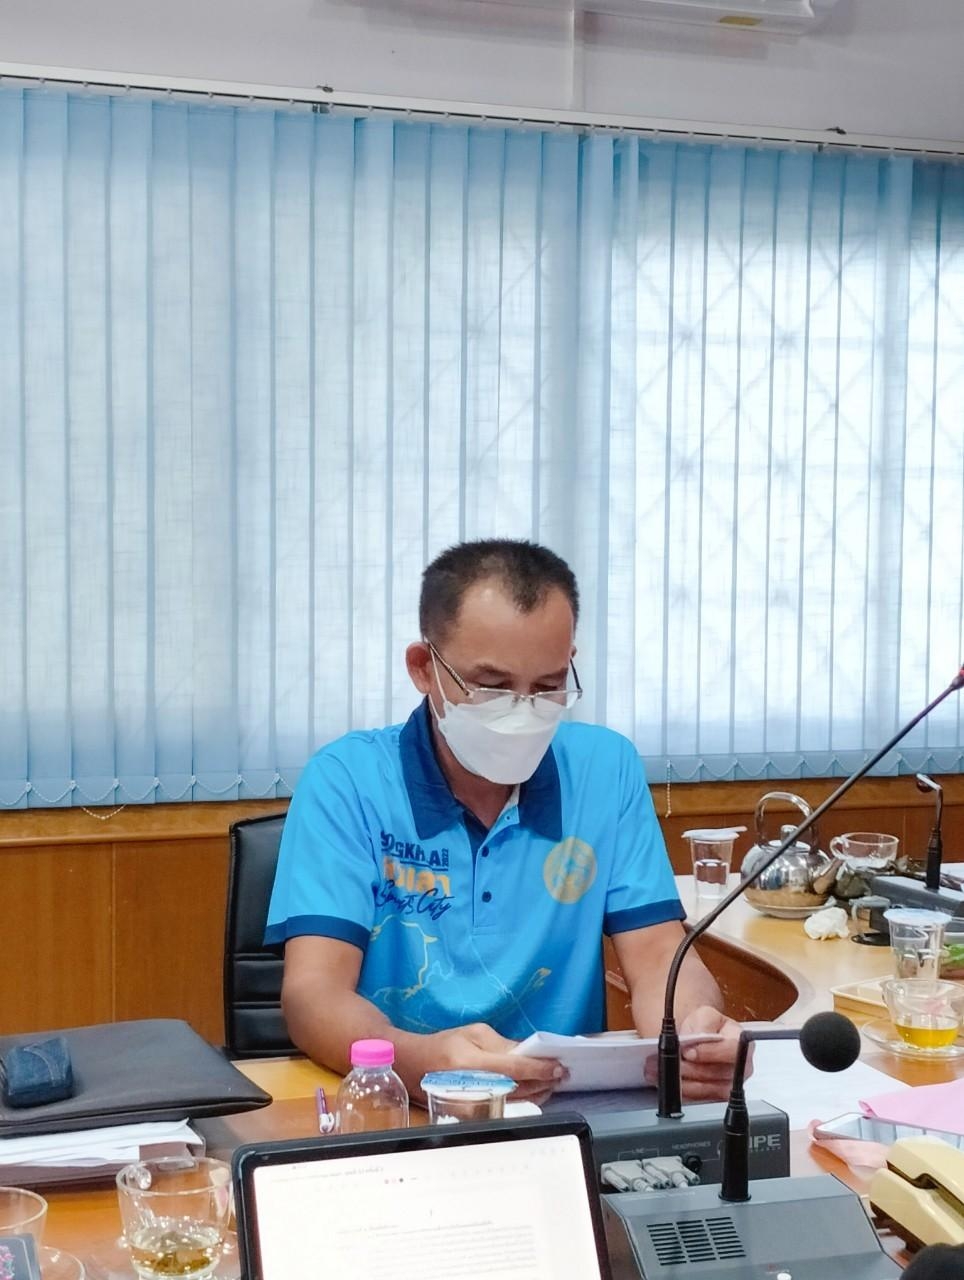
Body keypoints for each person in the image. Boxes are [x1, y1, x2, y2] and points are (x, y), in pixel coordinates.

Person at [266, 538, 742, 1102]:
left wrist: (692, 1029)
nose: (522, 712)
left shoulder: (604, 768)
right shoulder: (348, 779)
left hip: (559, 1107)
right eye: (491, 687)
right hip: (395, 1106)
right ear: (424, 668)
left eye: (547, 687)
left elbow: (659, 952)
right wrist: (419, 1065)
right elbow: (313, 995)